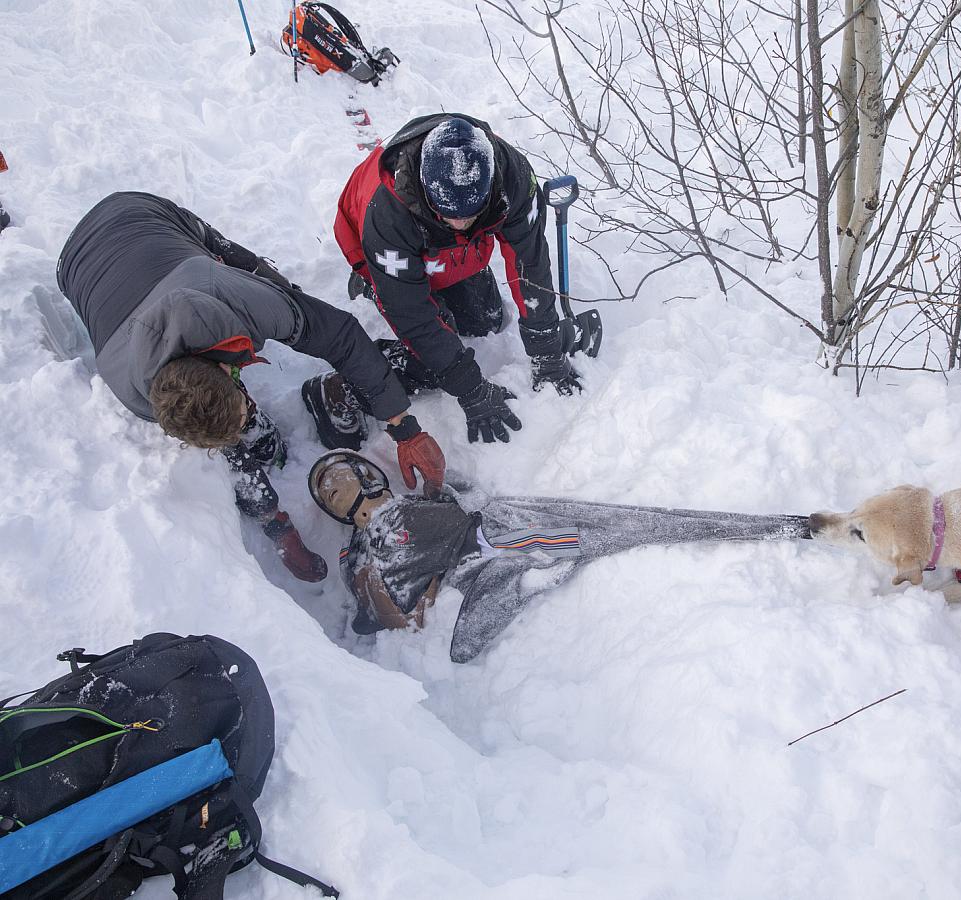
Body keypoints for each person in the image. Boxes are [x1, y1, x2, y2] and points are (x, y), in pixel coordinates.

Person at [57, 191, 447, 581]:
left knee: (248, 268)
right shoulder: (136, 393)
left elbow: (339, 335)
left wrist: (403, 426)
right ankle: (255, 430)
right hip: (72, 267)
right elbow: (224, 449)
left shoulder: (239, 300)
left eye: (241, 406)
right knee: (229, 426)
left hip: (141, 213)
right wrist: (278, 526)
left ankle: (279, 287)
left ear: (228, 371)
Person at [307, 451, 812, 661]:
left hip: (499, 527)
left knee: (631, 524)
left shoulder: (416, 504)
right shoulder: (360, 560)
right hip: (487, 562)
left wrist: (442, 485)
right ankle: (525, 577)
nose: (339, 489)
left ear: (368, 473)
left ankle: (783, 527)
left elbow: (468, 499)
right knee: (623, 530)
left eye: (343, 477)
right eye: (329, 493)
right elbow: (375, 621)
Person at [325, 113, 583, 446]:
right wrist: (469, 388)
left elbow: (529, 261)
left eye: (470, 214)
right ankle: (348, 384)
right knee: (435, 362)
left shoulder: (513, 178)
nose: (460, 223)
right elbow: (412, 315)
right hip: (379, 246)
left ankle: (441, 272)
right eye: (450, 214)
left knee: (486, 320)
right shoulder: (387, 212)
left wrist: (547, 348)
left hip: (451, 254)